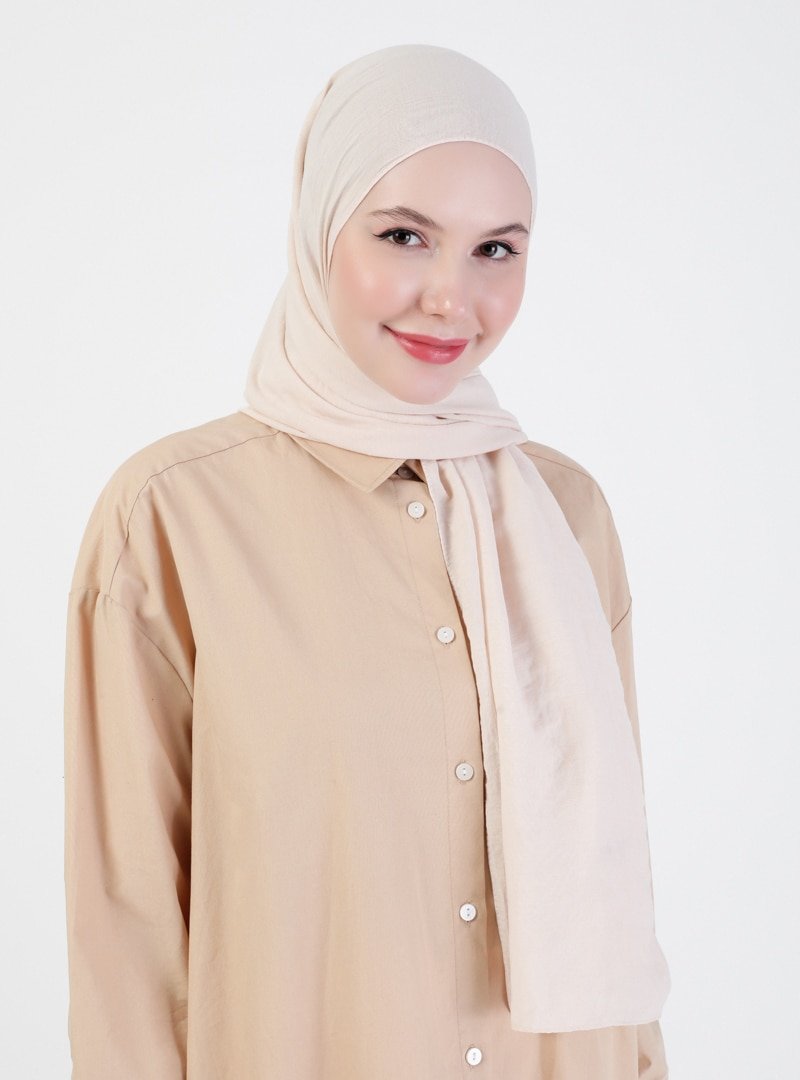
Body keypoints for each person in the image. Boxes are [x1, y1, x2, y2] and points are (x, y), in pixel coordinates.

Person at [63, 43, 671, 1078]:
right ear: (320, 227)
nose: (450, 298)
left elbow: (614, 875)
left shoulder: (566, 516)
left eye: (495, 249)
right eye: (403, 236)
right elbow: (125, 937)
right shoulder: (171, 519)